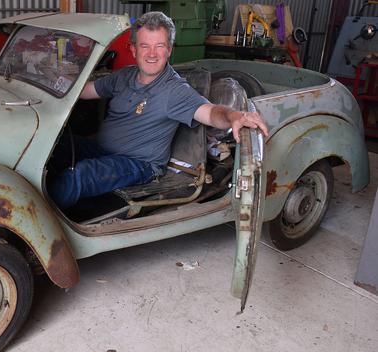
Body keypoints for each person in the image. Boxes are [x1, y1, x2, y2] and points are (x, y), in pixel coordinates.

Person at [49, 11, 269, 209]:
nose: (152, 54)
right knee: (54, 146)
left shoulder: (174, 90)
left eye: (160, 46)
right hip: (102, 150)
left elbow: (210, 112)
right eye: (145, 46)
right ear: (133, 49)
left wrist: (234, 116)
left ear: (169, 50)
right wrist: (50, 84)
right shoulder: (123, 76)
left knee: (79, 175)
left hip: (138, 164)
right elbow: (84, 91)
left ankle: (39, 226)